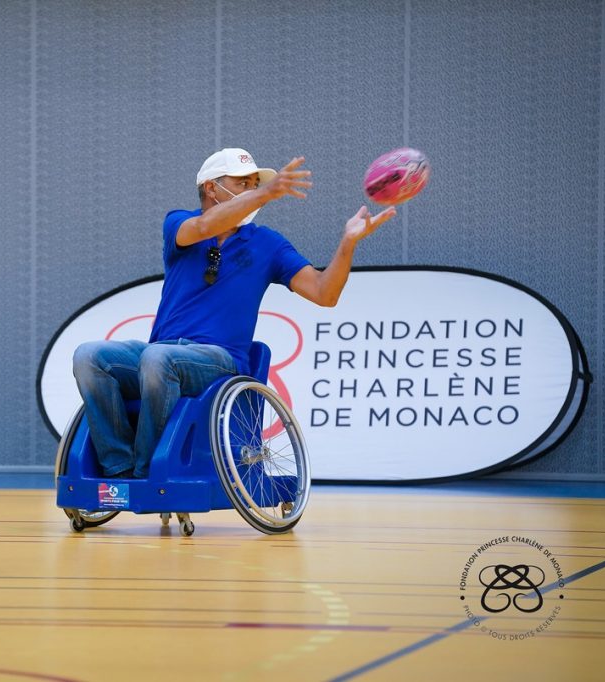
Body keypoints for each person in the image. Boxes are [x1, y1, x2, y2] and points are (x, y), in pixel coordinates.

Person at [73, 148, 396, 478]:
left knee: (157, 358)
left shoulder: (268, 243)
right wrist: (267, 192)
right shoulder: (178, 223)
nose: (253, 191)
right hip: (161, 354)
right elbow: (203, 226)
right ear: (212, 188)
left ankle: (146, 472)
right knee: (89, 356)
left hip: (219, 360)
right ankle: (117, 467)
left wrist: (348, 243)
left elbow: (324, 293)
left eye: (256, 184)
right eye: (243, 183)